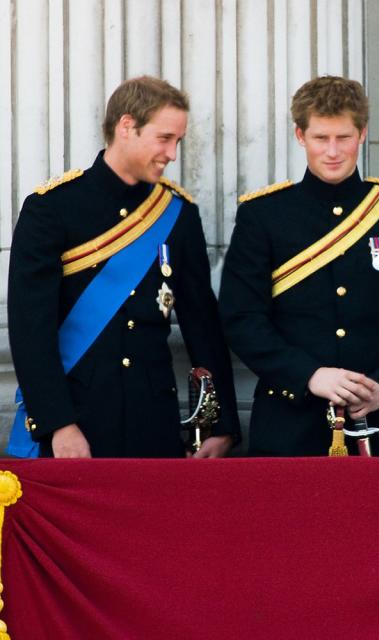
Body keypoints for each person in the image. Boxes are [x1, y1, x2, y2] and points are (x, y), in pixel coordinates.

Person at [7, 75, 240, 458]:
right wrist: (58, 423)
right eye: (164, 139)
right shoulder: (52, 209)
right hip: (77, 422)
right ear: (127, 126)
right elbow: (31, 328)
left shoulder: (177, 214)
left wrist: (220, 425)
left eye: (178, 141)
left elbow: (203, 326)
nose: (172, 154)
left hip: (154, 422)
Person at [219, 75, 379, 457]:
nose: (333, 151)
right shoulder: (264, 215)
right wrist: (308, 376)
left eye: (344, 137)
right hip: (287, 420)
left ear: (363, 133)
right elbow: (241, 318)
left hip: (374, 419)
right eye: (321, 138)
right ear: (300, 136)